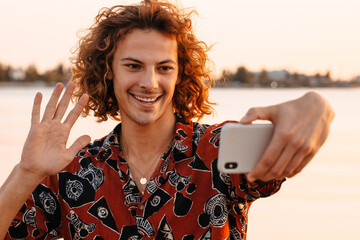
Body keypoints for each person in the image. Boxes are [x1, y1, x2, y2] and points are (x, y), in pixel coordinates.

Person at [0, 0, 334, 239]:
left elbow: (290, 141)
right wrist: (26, 173)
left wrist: (317, 104)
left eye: (164, 68)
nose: (149, 82)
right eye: (133, 65)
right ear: (108, 72)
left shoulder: (220, 150)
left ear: (180, 75)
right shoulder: (72, 171)